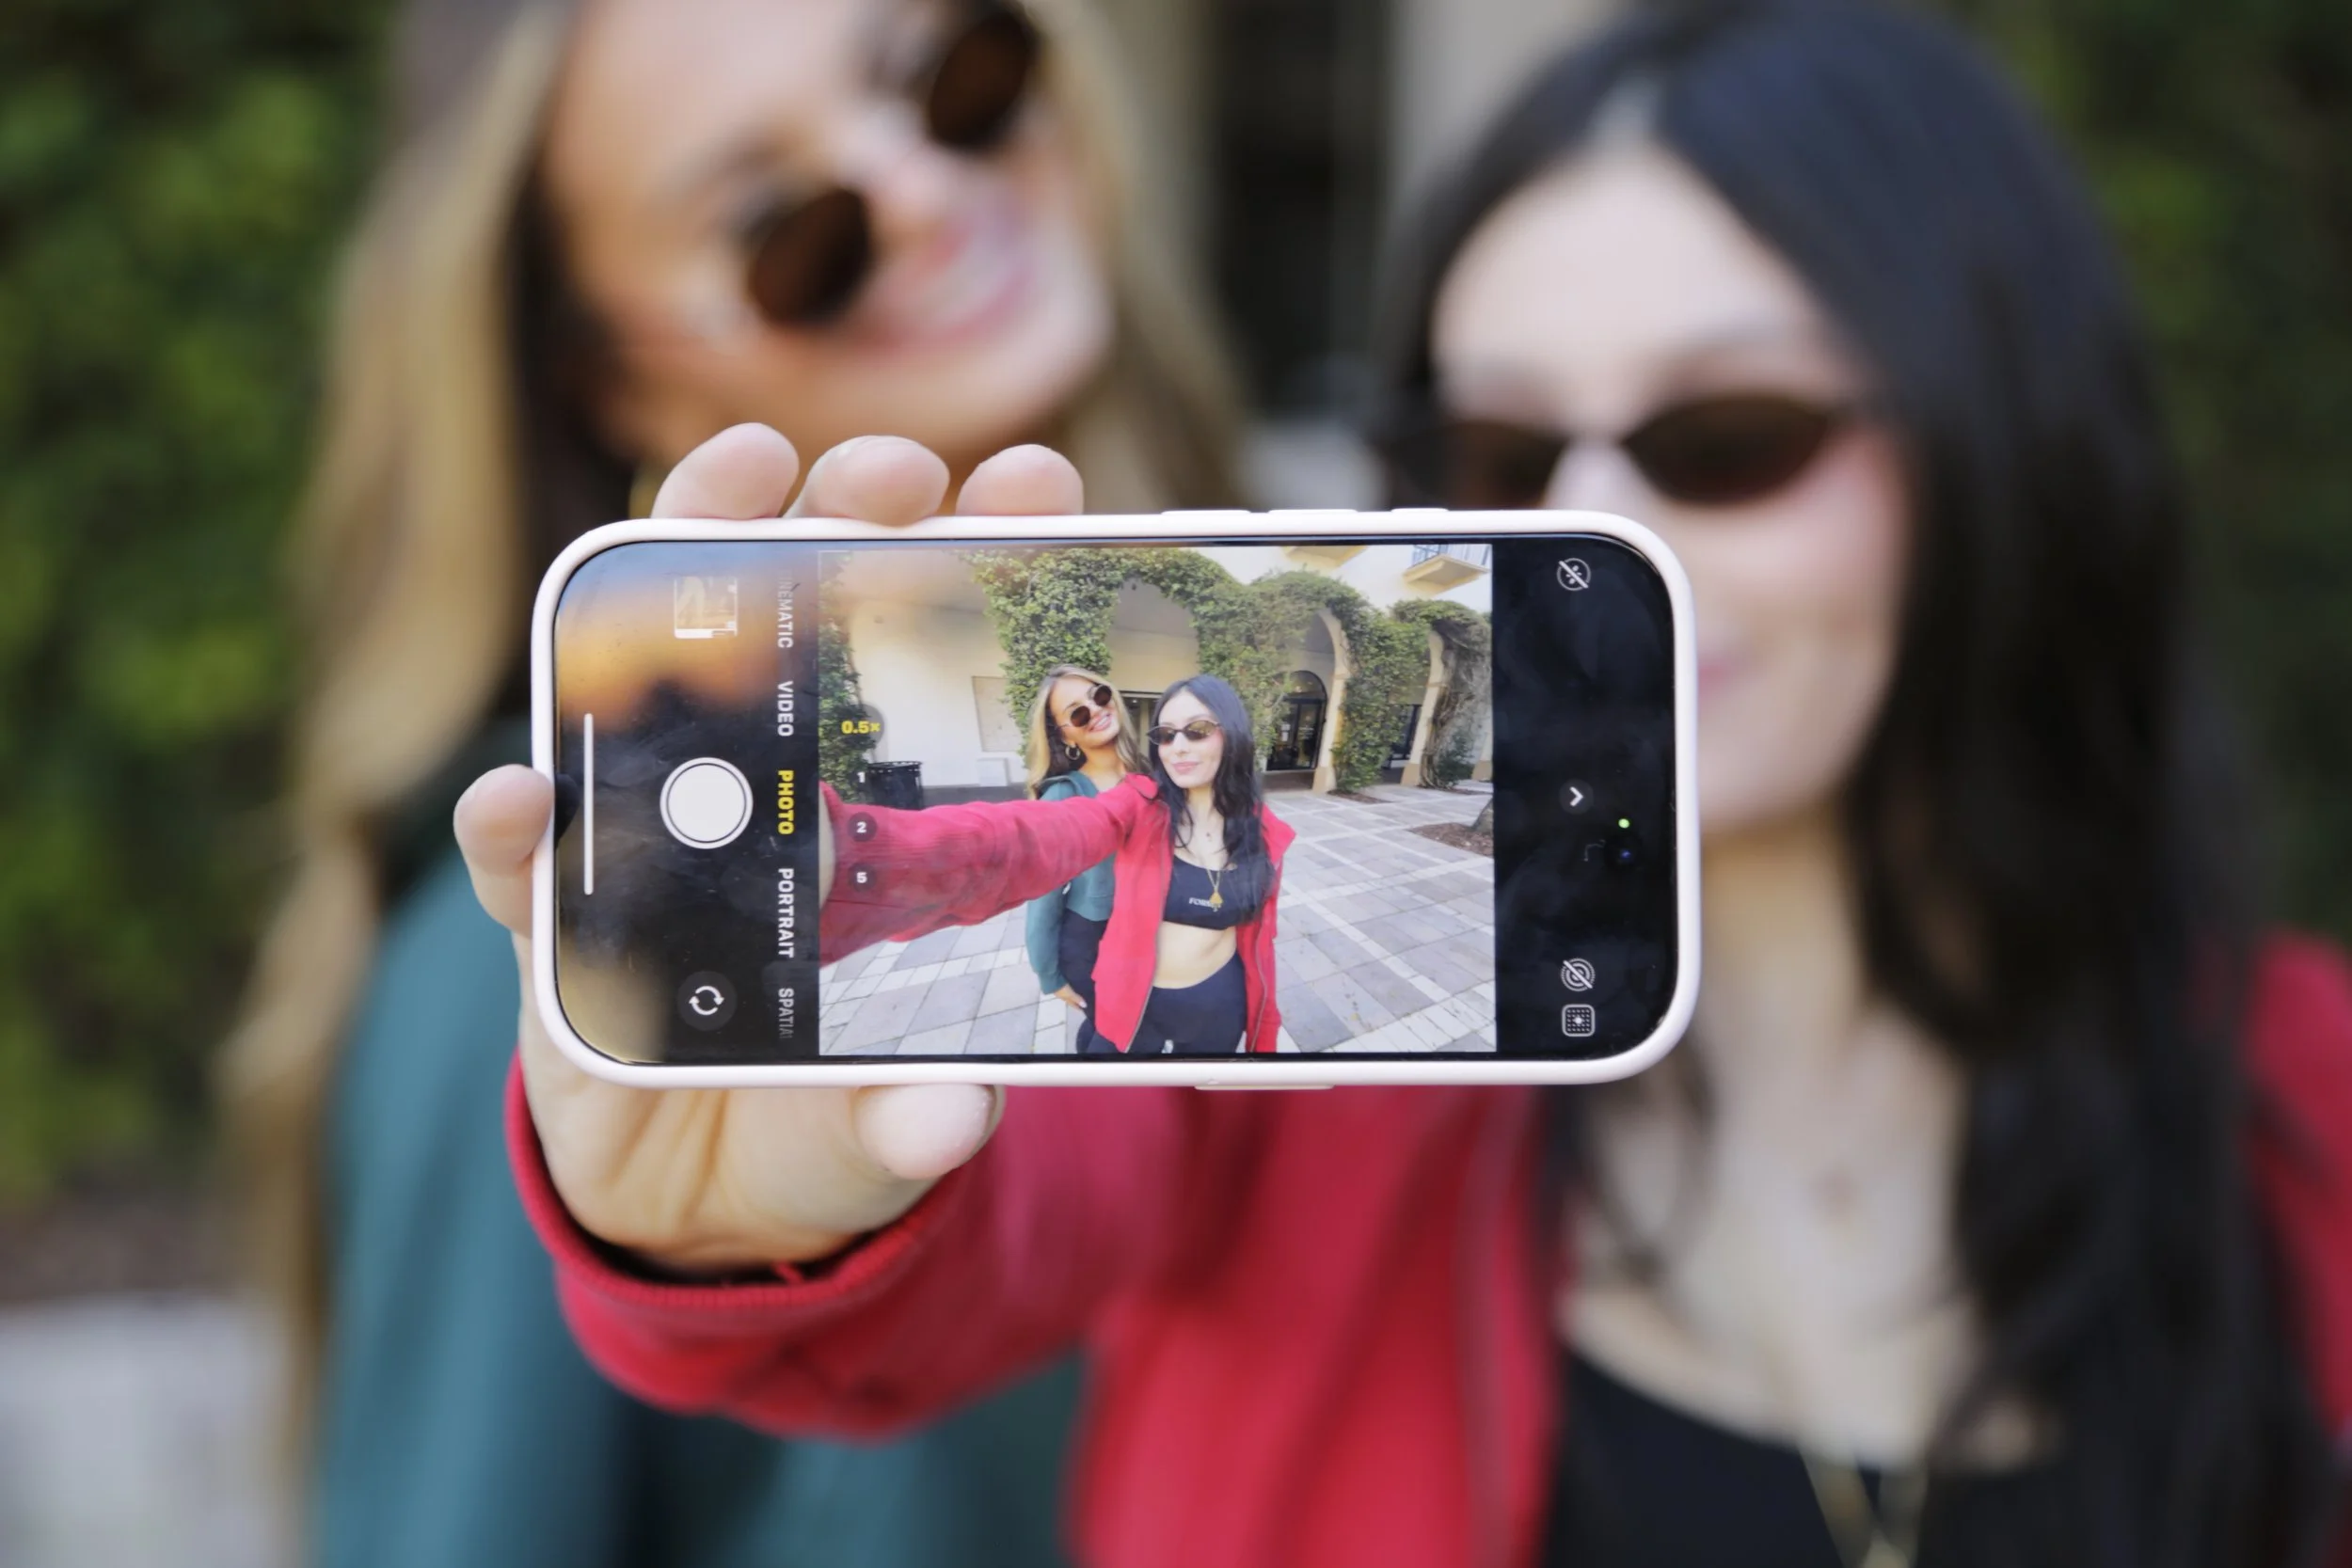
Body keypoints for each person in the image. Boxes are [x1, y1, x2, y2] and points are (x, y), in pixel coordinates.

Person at [458, 4, 2352, 1566]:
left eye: (1729, 436)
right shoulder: (1315, 1107)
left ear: (2003, 439)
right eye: (1501, 449)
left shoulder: (2312, 1097)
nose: (1598, 518)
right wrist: (727, 1222)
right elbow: (995, 1216)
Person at [218, 0, 1240, 1559]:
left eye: (957, 80)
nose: (921, 185)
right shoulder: (549, 947)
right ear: (611, 378)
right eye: (785, 232)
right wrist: (721, 1262)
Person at [1081, 675, 1289, 1056]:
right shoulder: (1140, 805)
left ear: (1232, 735)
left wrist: (1266, 1028)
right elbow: (1068, 826)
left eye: (1197, 731)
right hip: (1136, 1001)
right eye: (1166, 734)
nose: (1177, 747)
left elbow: (1263, 940)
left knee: (1197, 1095)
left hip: (1218, 1001)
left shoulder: (1264, 833)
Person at [1022, 666, 1148, 1053]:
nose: (1095, 710)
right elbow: (1041, 896)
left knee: (1112, 1029)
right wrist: (1049, 974)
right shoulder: (1063, 797)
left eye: (1099, 695)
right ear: (1065, 735)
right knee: (1120, 1037)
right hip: (1092, 943)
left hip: (1147, 936)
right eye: (1077, 713)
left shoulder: (1153, 775)